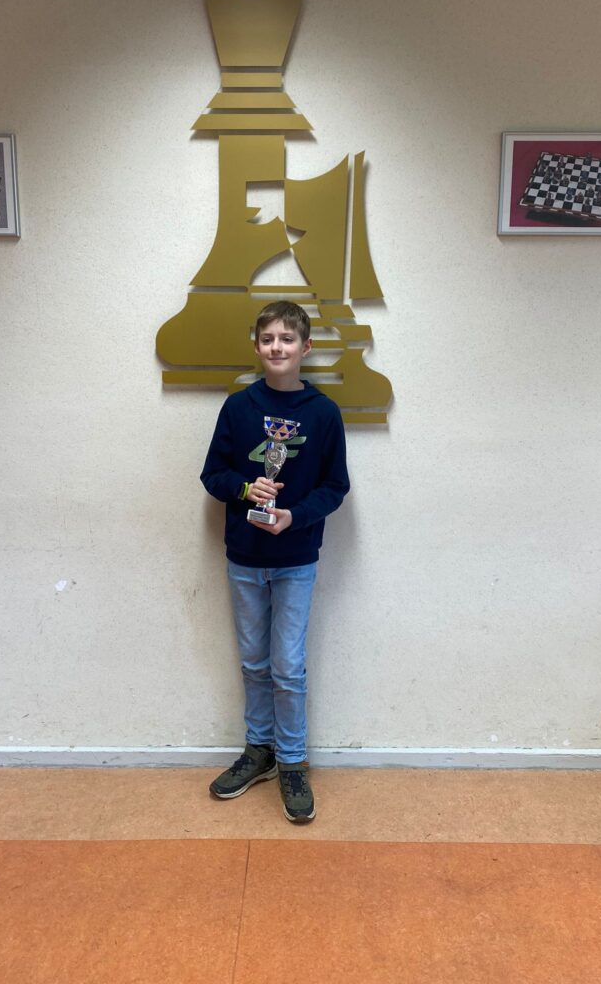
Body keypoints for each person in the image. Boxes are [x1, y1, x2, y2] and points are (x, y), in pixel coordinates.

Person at [200, 300, 349, 823]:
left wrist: (294, 517)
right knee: (253, 663)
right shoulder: (238, 408)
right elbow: (213, 475)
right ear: (256, 345)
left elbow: (335, 486)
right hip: (244, 558)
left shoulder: (324, 413)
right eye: (268, 339)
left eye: (287, 339)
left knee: (287, 666)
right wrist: (247, 489)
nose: (277, 347)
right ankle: (259, 750)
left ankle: (291, 759)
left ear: (306, 347)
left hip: (296, 559)